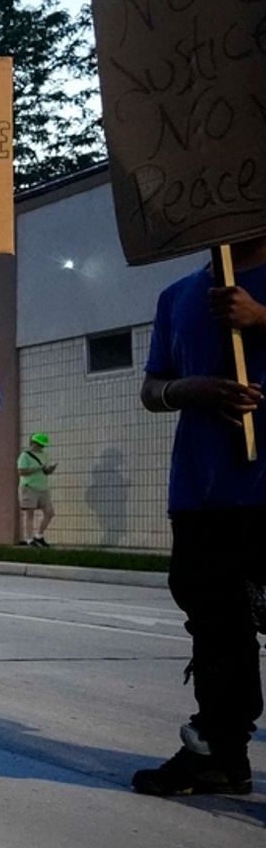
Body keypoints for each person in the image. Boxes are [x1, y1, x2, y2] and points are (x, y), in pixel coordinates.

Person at [131, 235, 266, 796]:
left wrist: (262, 318)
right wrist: (190, 388)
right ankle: (220, 751)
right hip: (203, 490)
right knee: (214, 625)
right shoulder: (178, 296)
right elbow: (152, 387)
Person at [16, 432, 56, 546]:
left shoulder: (44, 455)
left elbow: (45, 471)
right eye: (39, 444)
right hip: (29, 487)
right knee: (30, 514)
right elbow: (21, 471)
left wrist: (50, 470)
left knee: (50, 512)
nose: (41, 447)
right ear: (33, 443)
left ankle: (39, 535)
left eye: (42, 445)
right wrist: (37, 468)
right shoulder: (25, 455)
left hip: (43, 487)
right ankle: (29, 539)